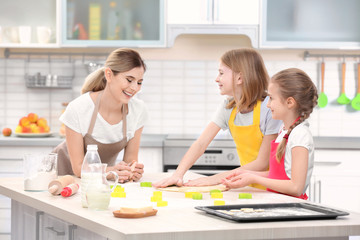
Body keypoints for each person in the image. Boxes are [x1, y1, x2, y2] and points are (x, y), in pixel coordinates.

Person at [153, 48, 282, 189]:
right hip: (248, 185)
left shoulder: (269, 108)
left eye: (221, 73)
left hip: (272, 186)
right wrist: (178, 174)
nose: (216, 78)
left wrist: (214, 179)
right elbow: (201, 143)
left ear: (240, 78)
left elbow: (262, 163)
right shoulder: (229, 106)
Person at [53, 48, 148, 183]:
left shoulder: (138, 110)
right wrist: (111, 171)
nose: (134, 88)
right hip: (62, 176)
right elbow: (79, 169)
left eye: (139, 82)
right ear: (109, 75)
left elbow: (130, 160)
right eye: (129, 80)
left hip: (98, 179)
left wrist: (131, 171)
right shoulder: (78, 108)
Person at [222, 68, 318, 199]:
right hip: (278, 201)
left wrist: (255, 178)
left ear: (289, 102)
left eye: (271, 98)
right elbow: (279, 176)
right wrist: (248, 176)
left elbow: (296, 187)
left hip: (292, 207)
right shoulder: (284, 131)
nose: (268, 105)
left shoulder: (300, 135)